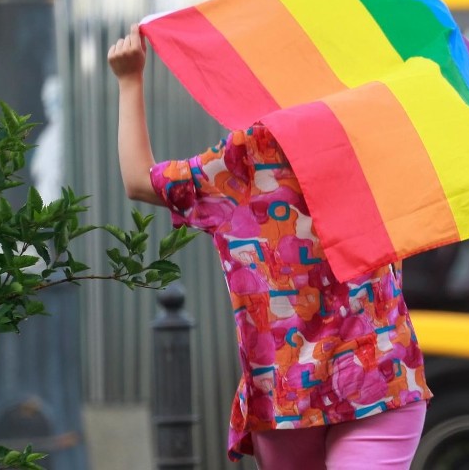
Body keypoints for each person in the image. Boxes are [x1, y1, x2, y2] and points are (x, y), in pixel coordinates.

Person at [108, 24, 432, 470]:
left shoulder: (248, 157)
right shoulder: (369, 137)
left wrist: (130, 81)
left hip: (324, 387)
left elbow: (138, 180)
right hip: (335, 385)